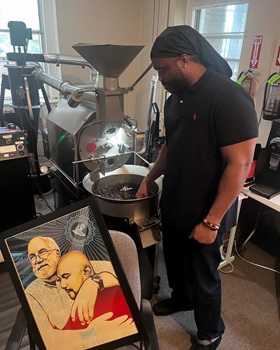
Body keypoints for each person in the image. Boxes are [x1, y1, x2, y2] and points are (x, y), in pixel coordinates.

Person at [136, 25, 258, 350]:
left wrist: (211, 221)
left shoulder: (229, 98)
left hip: (207, 210)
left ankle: (210, 332)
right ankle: (182, 299)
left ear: (185, 59)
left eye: (163, 69)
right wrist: (148, 179)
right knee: (174, 261)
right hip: (176, 200)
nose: (159, 76)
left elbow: (240, 165)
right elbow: (170, 147)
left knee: (204, 275)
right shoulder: (176, 97)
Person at [26, 236, 119, 330]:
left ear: (57, 252)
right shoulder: (31, 292)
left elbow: (121, 282)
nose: (38, 260)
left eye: (42, 252)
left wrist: (92, 282)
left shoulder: (86, 264)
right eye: (32, 257)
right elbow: (46, 335)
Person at [56, 250, 134, 330]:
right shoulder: (79, 304)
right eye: (60, 279)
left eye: (66, 277)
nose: (62, 285)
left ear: (86, 271)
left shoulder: (113, 294)